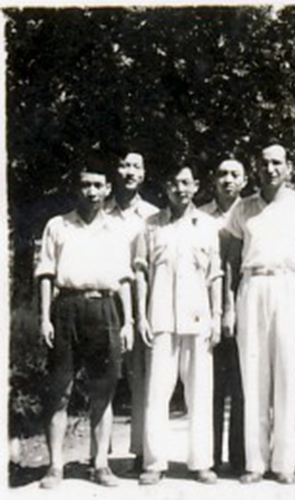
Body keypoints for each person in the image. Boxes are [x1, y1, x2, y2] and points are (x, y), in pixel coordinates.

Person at [224, 142, 295, 485]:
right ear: (257, 168)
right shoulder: (243, 209)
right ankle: (255, 462)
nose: (270, 169)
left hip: (290, 287)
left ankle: (284, 462)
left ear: (289, 167)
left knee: (288, 375)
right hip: (253, 287)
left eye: (277, 163)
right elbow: (231, 261)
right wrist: (228, 307)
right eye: (264, 163)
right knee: (253, 377)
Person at [36, 154, 134, 489]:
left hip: (104, 309)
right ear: (76, 188)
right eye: (85, 185)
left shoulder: (117, 230)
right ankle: (55, 466)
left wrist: (129, 321)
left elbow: (124, 279)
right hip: (66, 309)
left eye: (97, 185)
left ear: (107, 189)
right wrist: (44, 318)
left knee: (102, 391)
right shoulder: (58, 225)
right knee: (59, 391)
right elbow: (46, 274)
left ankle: (101, 464)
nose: (92, 191)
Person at [136, 163, 222, 486]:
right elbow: (141, 273)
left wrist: (217, 315)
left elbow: (215, 275)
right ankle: (154, 462)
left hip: (198, 318)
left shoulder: (208, 225)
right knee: (157, 391)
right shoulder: (151, 225)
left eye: (186, 182)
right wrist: (141, 316)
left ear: (196, 185)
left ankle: (201, 462)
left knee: (200, 392)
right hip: (160, 318)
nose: (180, 189)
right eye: (173, 183)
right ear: (166, 187)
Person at [105, 150, 158, 473]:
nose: (129, 171)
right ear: (116, 170)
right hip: (105, 301)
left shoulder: (153, 216)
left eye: (136, 166)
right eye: (123, 165)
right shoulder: (101, 212)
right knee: (104, 378)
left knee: (142, 379)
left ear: (143, 173)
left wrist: (142, 314)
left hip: (140, 305)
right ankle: (100, 454)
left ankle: (140, 451)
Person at [199, 158, 247, 476]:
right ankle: (211, 457)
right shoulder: (200, 216)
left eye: (234, 174)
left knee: (243, 386)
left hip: (248, 306)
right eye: (222, 174)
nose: (228, 179)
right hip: (208, 309)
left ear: (244, 181)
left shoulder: (252, 212)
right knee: (212, 386)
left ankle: (241, 458)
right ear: (213, 180)